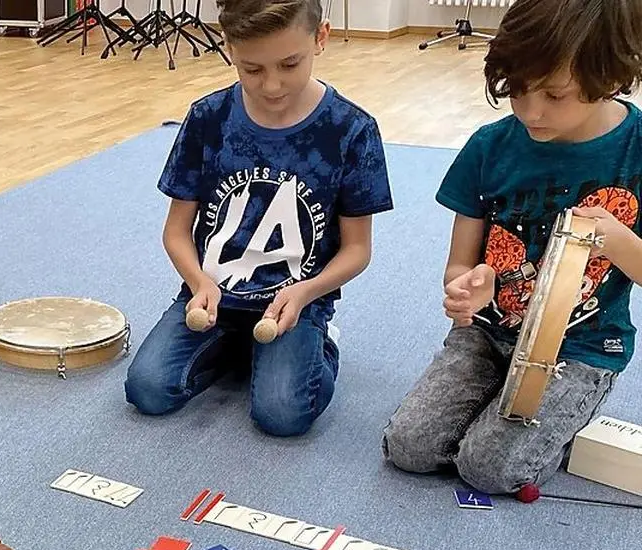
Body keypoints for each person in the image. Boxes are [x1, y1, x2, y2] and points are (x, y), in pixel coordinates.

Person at [382, 0, 642, 495]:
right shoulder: (491, 145)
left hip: (582, 347)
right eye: (517, 89)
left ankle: (565, 405)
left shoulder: (637, 149)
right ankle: (499, 401)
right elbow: (460, 264)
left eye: (554, 94)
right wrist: (467, 286)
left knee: (490, 469)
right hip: (488, 334)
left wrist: (618, 240)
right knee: (410, 449)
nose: (530, 111)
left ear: (610, 74)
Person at [123, 0, 393, 436]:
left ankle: (319, 346)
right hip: (211, 297)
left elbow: (357, 250)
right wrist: (199, 282)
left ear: (320, 37)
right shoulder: (207, 118)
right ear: (228, 47)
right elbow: (176, 232)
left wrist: (307, 292)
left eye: (290, 64)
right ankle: (237, 345)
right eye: (251, 69)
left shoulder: (352, 130)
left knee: (282, 415)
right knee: (148, 390)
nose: (271, 85)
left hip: (295, 302)